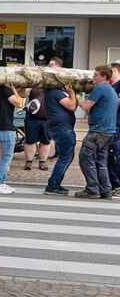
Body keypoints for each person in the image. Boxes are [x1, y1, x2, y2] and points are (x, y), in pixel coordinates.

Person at [76, 65, 118, 199]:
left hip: (98, 131)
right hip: (109, 131)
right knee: (101, 161)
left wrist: (76, 97)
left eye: (96, 75)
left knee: (85, 158)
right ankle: (105, 190)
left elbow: (86, 106)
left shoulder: (100, 89)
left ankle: (92, 189)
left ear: (104, 76)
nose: (93, 77)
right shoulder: (111, 90)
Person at [43, 80, 78, 195]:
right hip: (63, 128)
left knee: (65, 156)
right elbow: (72, 106)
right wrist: (72, 93)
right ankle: (53, 185)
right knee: (65, 157)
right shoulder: (56, 92)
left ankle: (54, 184)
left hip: (59, 128)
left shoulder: (50, 92)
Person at [0, 83, 24, 194]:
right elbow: (19, 103)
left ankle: (1, 182)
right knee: (6, 157)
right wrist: (14, 89)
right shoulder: (6, 90)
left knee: (5, 157)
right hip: (5, 127)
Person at [23, 86, 52, 171]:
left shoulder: (53, 85)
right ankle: (29, 162)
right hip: (32, 117)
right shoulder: (32, 84)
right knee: (30, 140)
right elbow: (23, 94)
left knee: (46, 141)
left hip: (47, 118)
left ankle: (43, 162)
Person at [110, 62, 120, 192]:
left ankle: (117, 184)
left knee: (115, 155)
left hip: (117, 124)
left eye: (111, 71)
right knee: (110, 155)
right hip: (112, 123)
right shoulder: (113, 86)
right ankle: (113, 183)